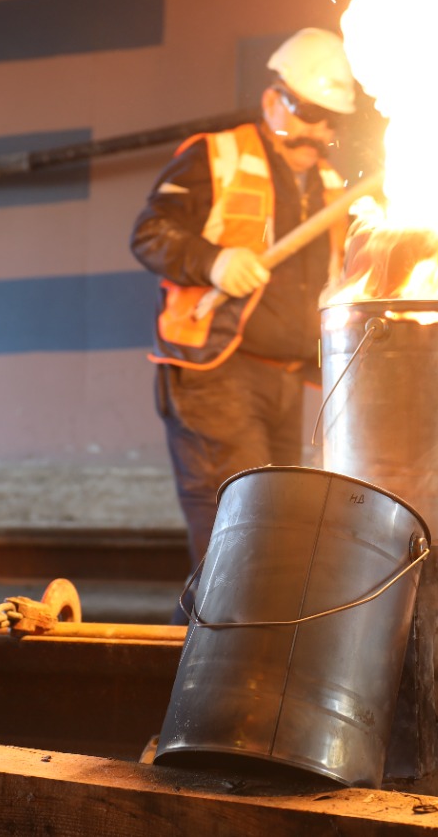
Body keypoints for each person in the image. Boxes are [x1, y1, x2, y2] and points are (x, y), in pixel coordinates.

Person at [130, 28, 356, 579]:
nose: (318, 131)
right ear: (274, 99)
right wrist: (213, 261)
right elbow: (150, 234)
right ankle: (219, 633)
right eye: (308, 112)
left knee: (274, 534)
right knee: (241, 536)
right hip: (216, 374)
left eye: (331, 120)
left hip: (285, 379)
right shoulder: (216, 156)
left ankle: (233, 631)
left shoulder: (332, 187)